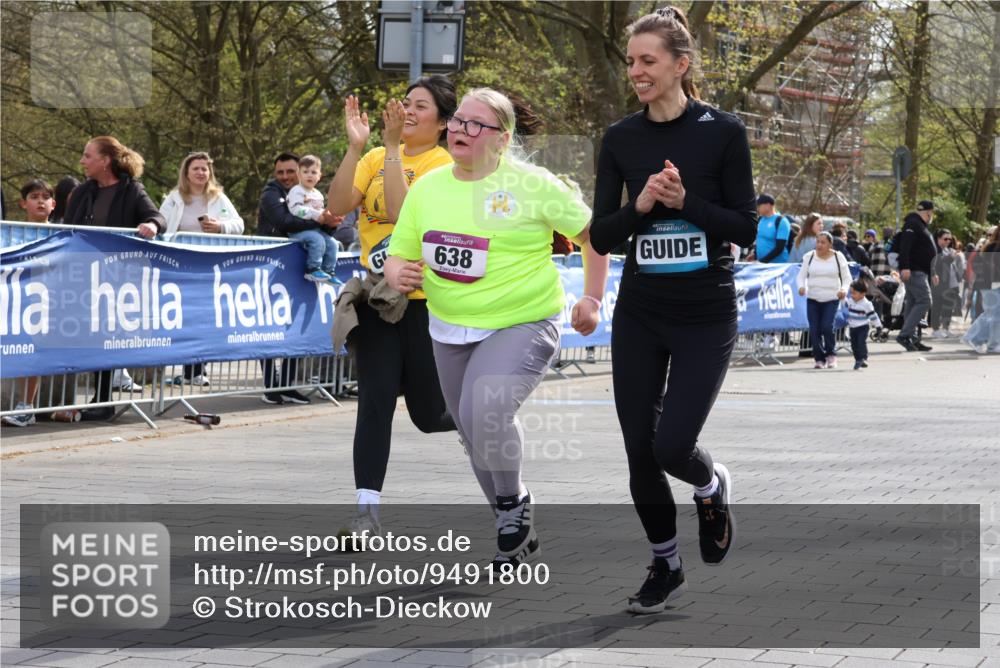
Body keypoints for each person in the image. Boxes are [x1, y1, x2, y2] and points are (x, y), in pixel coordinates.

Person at [385, 86, 608, 569]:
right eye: (458, 121)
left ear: (502, 139)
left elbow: (594, 235)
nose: (460, 130)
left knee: (485, 408)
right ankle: (515, 522)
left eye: (474, 124)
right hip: (450, 325)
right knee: (470, 429)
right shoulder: (429, 187)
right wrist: (395, 271)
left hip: (523, 320)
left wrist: (592, 297)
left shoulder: (532, 183)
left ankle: (511, 507)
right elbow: (400, 248)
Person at [588, 6, 756, 614]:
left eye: (647, 61)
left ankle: (710, 486)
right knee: (639, 448)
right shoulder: (621, 139)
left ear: (680, 65)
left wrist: (688, 202)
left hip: (705, 313)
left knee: (671, 446)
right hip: (640, 311)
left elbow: (746, 230)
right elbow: (601, 235)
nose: (635, 71)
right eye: (631, 61)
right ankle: (666, 566)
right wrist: (640, 210)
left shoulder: (723, 132)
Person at [326, 76, 459, 534]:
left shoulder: (445, 164)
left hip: (425, 304)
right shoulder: (374, 156)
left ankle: (475, 419)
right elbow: (338, 205)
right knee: (375, 402)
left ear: (442, 123)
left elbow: (405, 214)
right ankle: (366, 513)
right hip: (379, 301)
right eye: (406, 103)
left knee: (427, 415)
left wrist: (394, 151)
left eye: (420, 107)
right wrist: (355, 147)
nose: (407, 112)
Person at [63, 136, 166, 421]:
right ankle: (96, 398)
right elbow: (68, 228)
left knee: (107, 335)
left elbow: (158, 216)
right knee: (90, 336)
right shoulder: (84, 191)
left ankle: (104, 398)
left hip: (118, 277)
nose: (82, 161)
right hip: (84, 273)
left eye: (87, 156)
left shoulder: (132, 190)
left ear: (105, 161)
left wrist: (151, 225)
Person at [257, 152, 340, 404]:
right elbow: (284, 222)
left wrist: (330, 222)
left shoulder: (312, 193)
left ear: (301, 172)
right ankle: (272, 385)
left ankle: (288, 384)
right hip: (273, 266)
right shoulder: (271, 194)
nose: (285, 177)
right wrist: (319, 220)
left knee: (296, 323)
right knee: (270, 326)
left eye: (290, 172)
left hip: (300, 267)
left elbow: (320, 228)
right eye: (280, 172)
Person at [159, 151, 245, 386]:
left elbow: (239, 225)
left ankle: (197, 369)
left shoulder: (218, 198)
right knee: (184, 317)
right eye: (195, 168)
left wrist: (220, 227)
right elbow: (161, 224)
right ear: (186, 172)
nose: (200, 172)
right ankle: (185, 367)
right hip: (180, 266)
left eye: (204, 169)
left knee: (204, 317)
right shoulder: (175, 198)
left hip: (209, 266)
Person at [2, 180, 57, 427]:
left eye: (46, 197)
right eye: (34, 196)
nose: (41, 201)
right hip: (14, 298)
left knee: (33, 349)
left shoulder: (62, 233)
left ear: (54, 204)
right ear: (23, 203)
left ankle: (27, 406)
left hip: (47, 301)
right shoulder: (11, 231)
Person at [797, 231, 851, 368]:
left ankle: (831, 355)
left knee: (827, 327)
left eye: (823, 242)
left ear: (830, 244)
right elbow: (801, 276)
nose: (819, 245)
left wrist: (844, 289)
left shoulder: (838, 257)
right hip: (813, 298)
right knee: (814, 330)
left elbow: (846, 278)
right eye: (818, 242)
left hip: (831, 298)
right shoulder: (809, 257)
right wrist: (801, 287)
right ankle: (819, 359)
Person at [286, 154, 343, 285]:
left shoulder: (318, 194)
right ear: (298, 174)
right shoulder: (296, 191)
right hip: (298, 230)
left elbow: (322, 214)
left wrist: (331, 219)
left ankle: (329, 272)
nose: (309, 175)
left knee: (333, 243)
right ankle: (312, 269)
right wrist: (315, 214)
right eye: (305, 172)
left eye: (313, 172)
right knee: (317, 240)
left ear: (319, 176)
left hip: (315, 229)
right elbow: (295, 210)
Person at [896, 200, 937, 352]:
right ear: (928, 212)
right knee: (925, 300)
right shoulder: (913, 224)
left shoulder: (919, 224)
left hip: (920, 271)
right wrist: (905, 266)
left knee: (913, 303)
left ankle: (912, 338)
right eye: (932, 213)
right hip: (914, 270)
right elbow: (905, 246)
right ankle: (905, 335)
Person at [929, 228, 961, 338]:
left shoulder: (948, 250)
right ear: (938, 238)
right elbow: (937, 264)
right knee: (937, 306)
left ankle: (946, 328)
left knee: (949, 306)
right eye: (945, 238)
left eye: (950, 239)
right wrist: (950, 258)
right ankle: (935, 329)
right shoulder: (935, 249)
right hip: (939, 283)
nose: (948, 241)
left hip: (951, 283)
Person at [845, 280, 882, 370]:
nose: (852, 295)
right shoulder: (850, 301)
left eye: (854, 293)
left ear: (863, 294)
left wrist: (878, 326)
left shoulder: (867, 304)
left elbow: (873, 316)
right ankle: (858, 360)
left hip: (863, 327)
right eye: (851, 293)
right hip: (852, 327)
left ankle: (863, 358)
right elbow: (843, 304)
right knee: (854, 345)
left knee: (861, 342)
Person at [754, 194, 791, 263]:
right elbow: (760, 239)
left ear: (768, 205)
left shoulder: (781, 221)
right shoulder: (760, 219)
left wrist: (761, 262)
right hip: (761, 264)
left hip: (776, 267)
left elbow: (779, 248)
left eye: (758, 206)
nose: (757, 209)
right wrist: (754, 254)